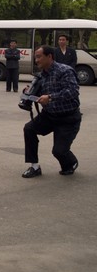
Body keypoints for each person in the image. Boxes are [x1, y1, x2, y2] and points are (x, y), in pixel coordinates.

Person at [22, 45, 82, 178]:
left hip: (68, 118)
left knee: (59, 151)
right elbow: (38, 93)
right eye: (35, 57)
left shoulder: (65, 70)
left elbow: (72, 91)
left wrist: (50, 97)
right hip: (49, 116)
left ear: (49, 57)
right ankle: (35, 166)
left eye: (39, 57)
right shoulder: (40, 75)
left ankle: (71, 163)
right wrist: (28, 92)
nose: (36, 60)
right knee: (29, 129)